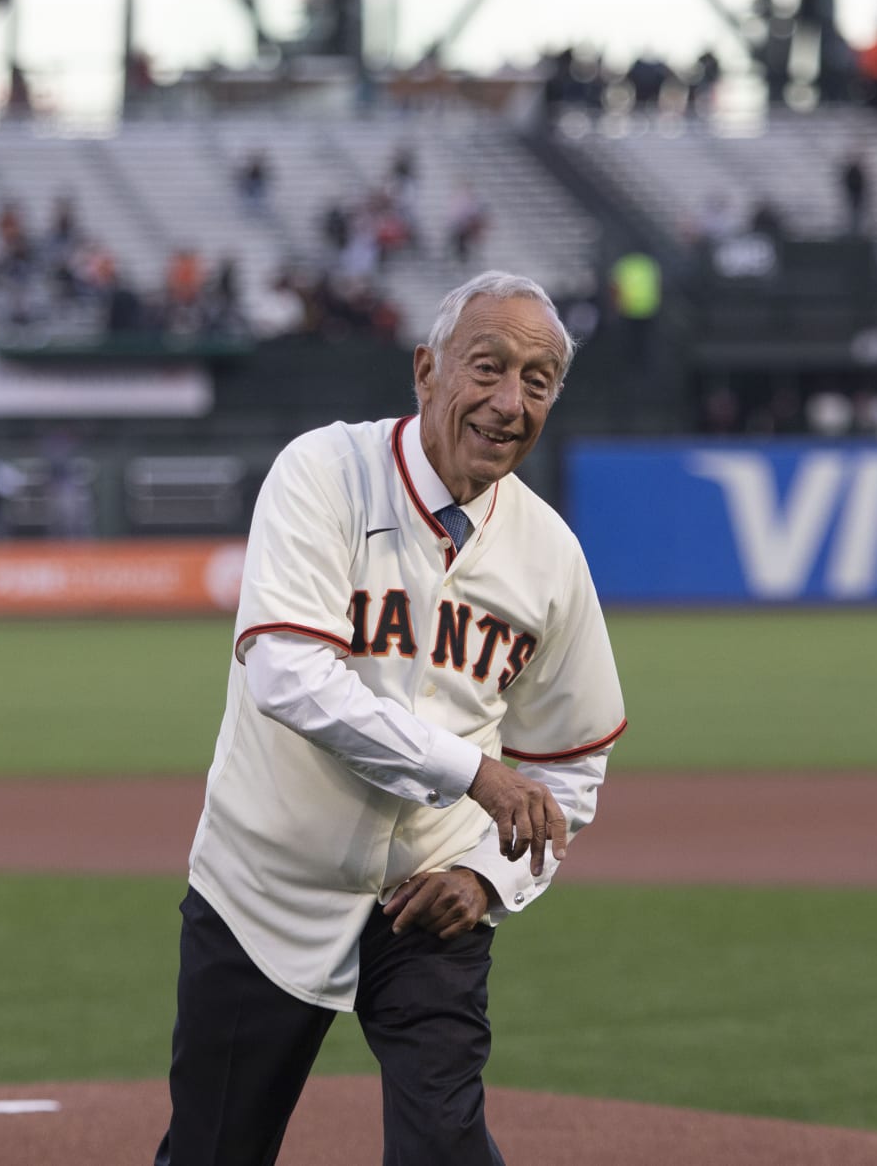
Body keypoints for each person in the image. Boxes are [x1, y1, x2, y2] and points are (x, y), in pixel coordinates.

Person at [155, 271, 627, 1166]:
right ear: (426, 370)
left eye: (537, 381)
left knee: (446, 1150)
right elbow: (289, 674)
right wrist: (471, 772)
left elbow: (572, 764)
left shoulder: (551, 556)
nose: (508, 401)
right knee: (215, 1151)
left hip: (430, 899)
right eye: (486, 367)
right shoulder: (324, 473)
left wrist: (489, 879)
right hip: (265, 885)